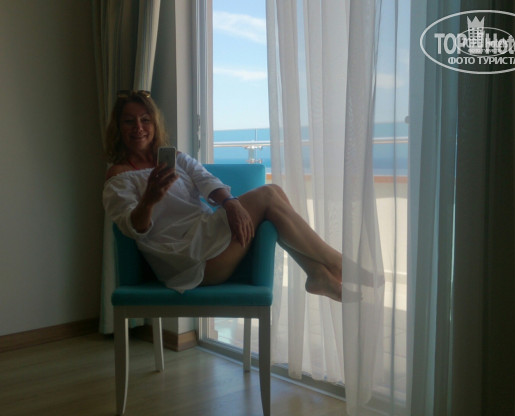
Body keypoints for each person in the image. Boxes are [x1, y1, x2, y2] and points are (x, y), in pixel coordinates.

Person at [103, 90, 342, 301]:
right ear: (118, 128)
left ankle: (318, 273)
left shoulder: (175, 158)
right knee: (269, 194)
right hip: (185, 259)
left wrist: (230, 203)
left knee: (274, 192)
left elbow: (206, 180)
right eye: (129, 121)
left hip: (206, 234)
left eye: (145, 120)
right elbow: (131, 228)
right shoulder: (118, 176)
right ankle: (336, 265)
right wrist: (149, 200)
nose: (139, 127)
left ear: (154, 125)